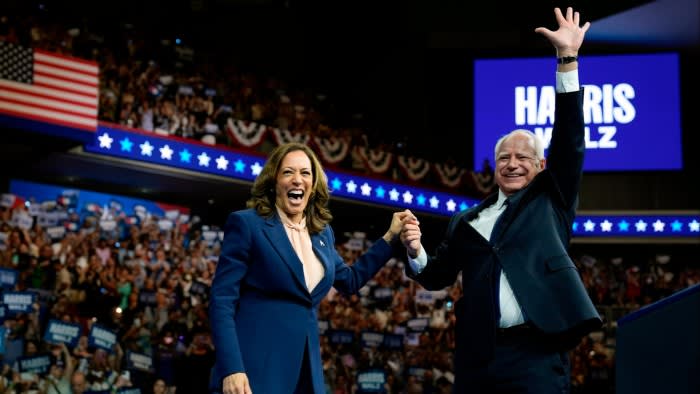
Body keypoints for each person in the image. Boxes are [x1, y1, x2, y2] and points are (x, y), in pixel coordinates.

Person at [399, 7, 602, 393]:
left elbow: (571, 138)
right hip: (479, 357)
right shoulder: (466, 221)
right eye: (504, 158)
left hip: (537, 351)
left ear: (541, 165)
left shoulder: (550, 199)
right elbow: (435, 276)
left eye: (522, 158)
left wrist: (567, 61)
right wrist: (414, 249)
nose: (511, 164)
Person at [209, 142, 410, 393]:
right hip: (255, 370)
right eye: (288, 172)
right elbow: (221, 301)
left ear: (313, 185)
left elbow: (351, 280)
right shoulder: (247, 224)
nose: (297, 180)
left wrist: (390, 238)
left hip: (306, 374)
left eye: (305, 173)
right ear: (273, 182)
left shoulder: (322, 234)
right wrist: (232, 368)